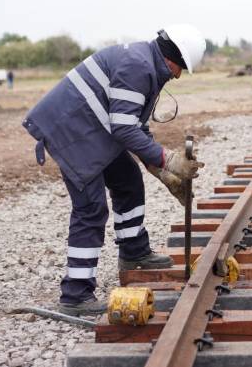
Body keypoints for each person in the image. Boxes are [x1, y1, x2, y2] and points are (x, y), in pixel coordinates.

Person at [22, 24, 207, 315]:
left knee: (128, 181)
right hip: (73, 133)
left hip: (94, 130)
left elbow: (135, 126)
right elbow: (123, 128)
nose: (178, 75)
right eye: (180, 68)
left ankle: (134, 252)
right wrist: (168, 160)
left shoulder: (146, 63)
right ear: (173, 58)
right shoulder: (138, 66)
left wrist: (159, 171)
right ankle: (75, 295)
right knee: (90, 209)